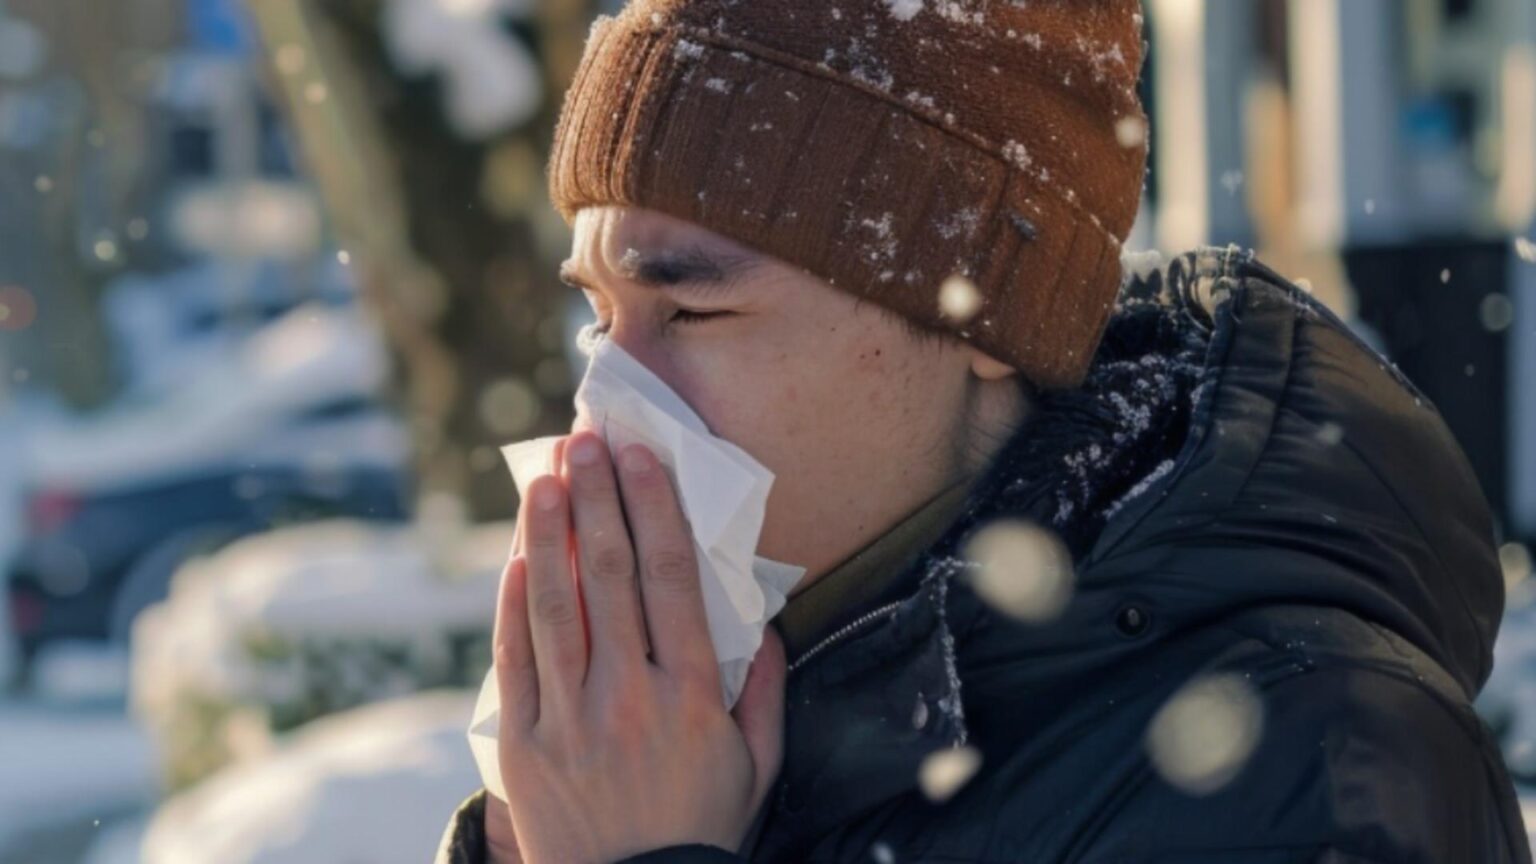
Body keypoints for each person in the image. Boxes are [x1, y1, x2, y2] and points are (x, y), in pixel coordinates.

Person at [437, 1, 1531, 861]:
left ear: (981, 316)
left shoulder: (1306, 761)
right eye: (598, 315)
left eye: (693, 310)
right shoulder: (731, 697)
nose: (603, 407)